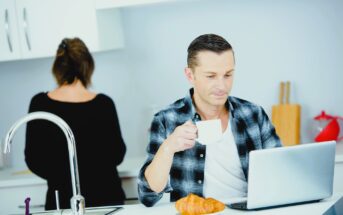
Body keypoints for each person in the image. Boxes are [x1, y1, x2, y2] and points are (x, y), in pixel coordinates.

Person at [138, 34, 282, 207]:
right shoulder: (167, 120)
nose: (222, 86)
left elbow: (280, 173)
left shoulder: (253, 114)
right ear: (190, 75)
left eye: (228, 75)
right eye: (211, 76)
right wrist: (168, 148)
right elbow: (148, 196)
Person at [25, 38, 126, 210]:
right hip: (107, 198)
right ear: (88, 66)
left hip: (62, 199)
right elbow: (117, 154)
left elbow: (34, 159)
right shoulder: (104, 104)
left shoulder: (40, 103)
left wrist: (61, 176)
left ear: (57, 68)